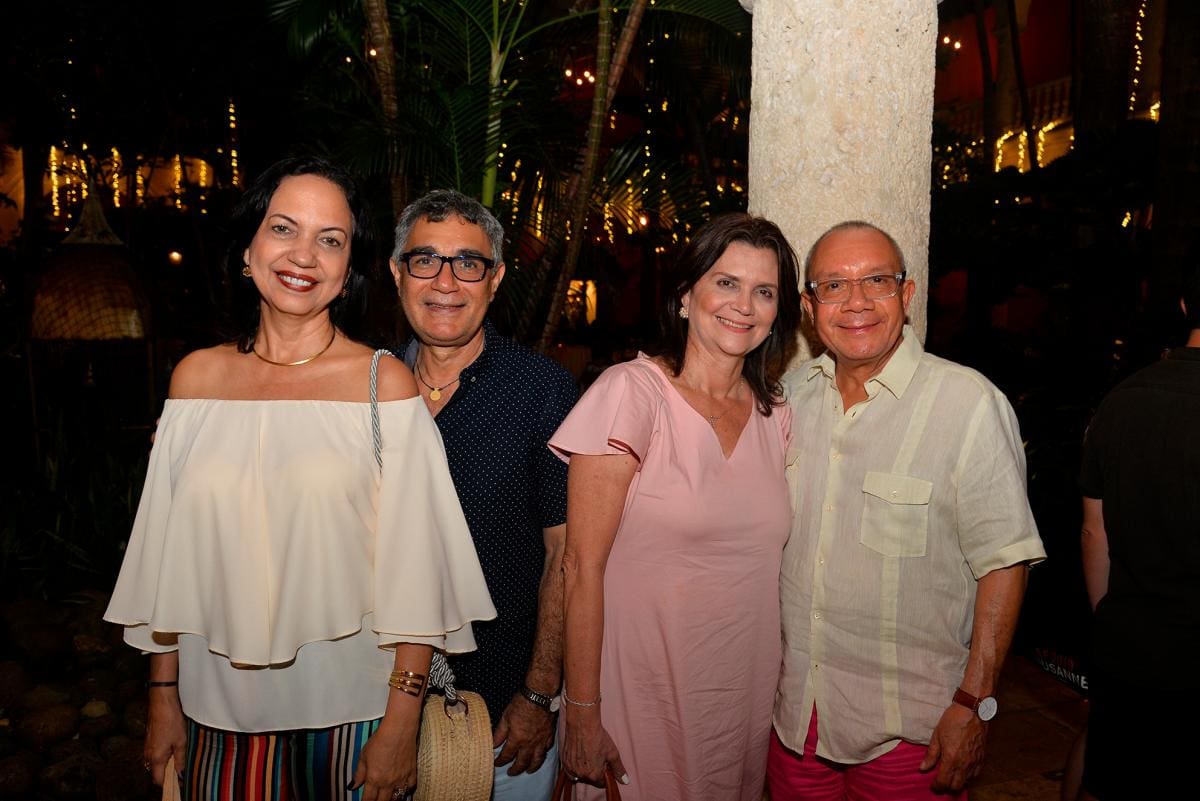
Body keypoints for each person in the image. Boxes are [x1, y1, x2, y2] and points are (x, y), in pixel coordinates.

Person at [104, 158, 496, 801]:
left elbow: (417, 572)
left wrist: (401, 724)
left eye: (330, 240)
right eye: (284, 228)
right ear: (249, 248)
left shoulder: (383, 386)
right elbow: (166, 567)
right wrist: (163, 698)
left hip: (351, 712)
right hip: (213, 711)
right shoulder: (194, 381)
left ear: (347, 273)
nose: (304, 255)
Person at [769, 221, 1046, 800]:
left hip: (912, 737)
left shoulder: (968, 404)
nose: (858, 302)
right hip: (795, 721)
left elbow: (1005, 563)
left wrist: (975, 703)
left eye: (877, 280)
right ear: (808, 305)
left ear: (908, 294)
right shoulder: (788, 398)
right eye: (834, 286)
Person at [552, 213, 804, 801]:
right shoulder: (632, 393)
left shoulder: (778, 419)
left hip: (739, 704)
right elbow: (579, 567)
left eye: (763, 291)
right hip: (639, 696)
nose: (744, 304)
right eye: (726, 283)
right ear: (686, 297)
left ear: (778, 313)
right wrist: (582, 712)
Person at [388, 189, 580, 800]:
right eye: (425, 259)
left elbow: (565, 558)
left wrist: (539, 694)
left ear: (494, 279)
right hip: (371, 702)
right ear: (397, 272)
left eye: (467, 263)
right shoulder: (362, 390)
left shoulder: (543, 392)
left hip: (503, 713)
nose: (446, 281)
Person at [1076, 259, 1200, 801]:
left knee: (1106, 762)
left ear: (1184, 306)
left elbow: (1093, 532)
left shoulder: (1122, 399)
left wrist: (1107, 617)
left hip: (1130, 642)